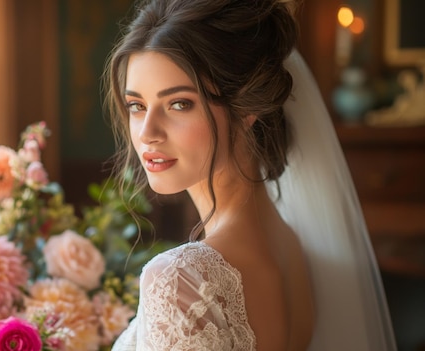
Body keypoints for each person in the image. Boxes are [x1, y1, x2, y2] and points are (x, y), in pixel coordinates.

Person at [104, 0, 397, 350]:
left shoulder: (178, 278)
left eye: (179, 103)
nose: (148, 132)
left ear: (246, 108)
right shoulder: (292, 245)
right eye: (137, 105)